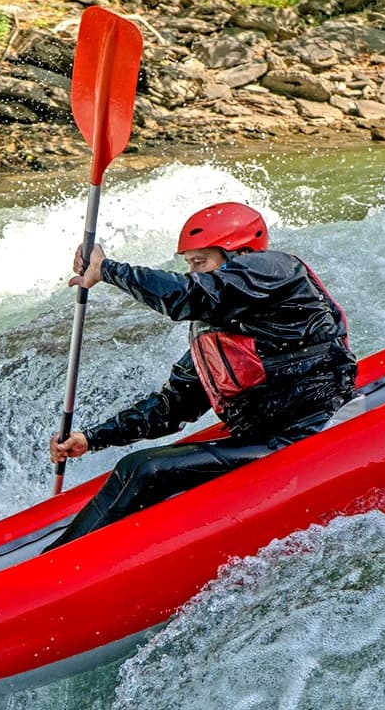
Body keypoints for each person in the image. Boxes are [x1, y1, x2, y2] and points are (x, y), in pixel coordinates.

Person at [46, 201, 357, 548]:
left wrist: (108, 270)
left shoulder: (274, 269)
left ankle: (54, 566)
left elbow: (188, 295)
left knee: (145, 468)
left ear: (238, 254)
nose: (193, 272)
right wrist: (92, 438)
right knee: (137, 467)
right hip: (263, 440)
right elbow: (171, 407)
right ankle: (57, 556)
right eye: (189, 264)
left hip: (312, 428)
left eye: (200, 262)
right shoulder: (218, 330)